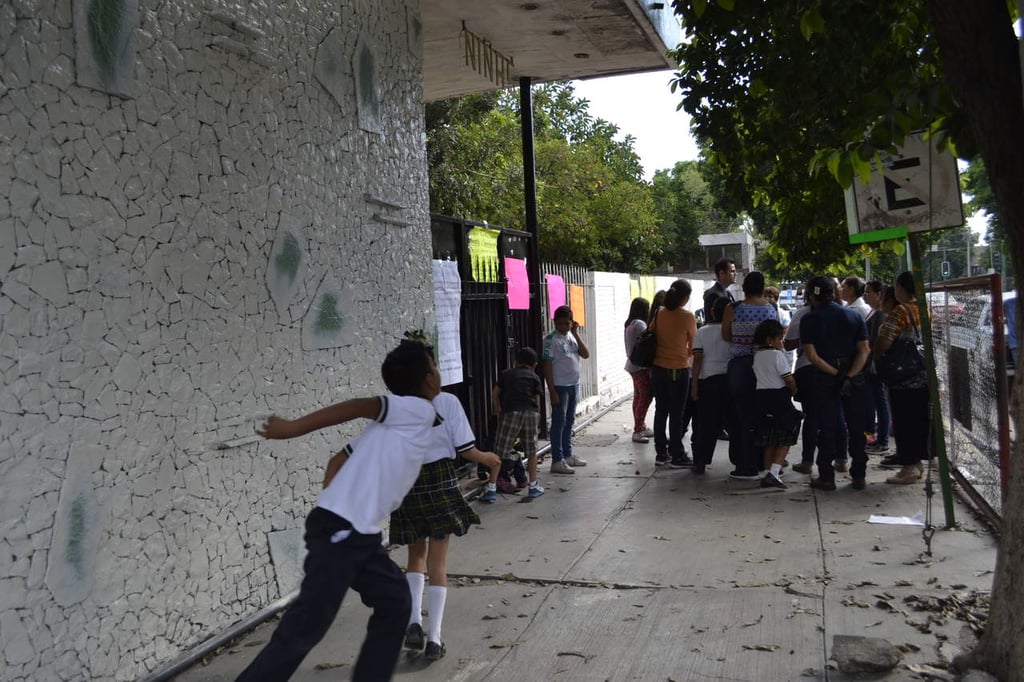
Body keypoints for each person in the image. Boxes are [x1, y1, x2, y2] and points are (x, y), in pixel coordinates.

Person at [237, 341, 443, 682]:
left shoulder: (393, 425)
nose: (438, 373)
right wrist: (292, 428)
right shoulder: (416, 410)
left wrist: (337, 501)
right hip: (343, 533)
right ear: (427, 380)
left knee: (394, 601)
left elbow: (337, 460)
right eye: (434, 368)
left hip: (356, 535)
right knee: (307, 624)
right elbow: (362, 405)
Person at [389, 380, 501, 661]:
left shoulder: (394, 403)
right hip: (440, 480)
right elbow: (466, 449)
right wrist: (487, 458)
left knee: (415, 555)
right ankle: (435, 639)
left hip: (407, 480)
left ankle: (413, 621)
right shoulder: (447, 401)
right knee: (437, 563)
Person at [799, 276, 870, 491]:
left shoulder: (809, 319)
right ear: (835, 293)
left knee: (827, 427)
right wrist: (849, 375)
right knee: (857, 429)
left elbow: (811, 355)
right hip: (854, 377)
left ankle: (826, 477)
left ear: (812, 296)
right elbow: (864, 350)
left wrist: (835, 373)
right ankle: (858, 475)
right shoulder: (854, 316)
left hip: (824, 377)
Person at [721, 271, 779, 480]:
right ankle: (765, 461)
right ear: (763, 288)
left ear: (744, 288)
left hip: (740, 365)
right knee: (764, 414)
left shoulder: (733, 308)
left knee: (741, 416)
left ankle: (746, 465)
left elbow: (726, 335)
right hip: (765, 364)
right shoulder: (771, 308)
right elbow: (776, 334)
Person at [875, 271, 930, 484]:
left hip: (903, 377)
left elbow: (885, 342)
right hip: (922, 373)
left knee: (904, 421)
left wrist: (877, 354)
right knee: (918, 420)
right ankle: (916, 464)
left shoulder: (900, 311)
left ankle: (908, 467)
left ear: (901, 288)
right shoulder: (924, 308)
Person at [650, 280, 698, 468]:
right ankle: (677, 454)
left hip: (658, 368)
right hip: (678, 368)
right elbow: (694, 346)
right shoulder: (687, 317)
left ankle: (661, 453)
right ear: (685, 298)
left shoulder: (659, 313)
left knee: (661, 410)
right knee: (677, 413)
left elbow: (652, 334)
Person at [488, 347, 546, 499]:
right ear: (534, 364)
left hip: (511, 413)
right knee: (531, 451)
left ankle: (491, 489)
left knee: (500, 451)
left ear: (515, 362)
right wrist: (537, 416)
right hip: (531, 413)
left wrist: (499, 412)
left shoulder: (506, 374)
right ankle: (533, 487)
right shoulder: (534, 377)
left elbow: (495, 394)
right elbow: (538, 401)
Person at [752, 319, 802, 489]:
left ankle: (768, 473)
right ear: (769, 340)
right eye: (780, 338)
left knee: (770, 438)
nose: (782, 342)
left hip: (761, 397)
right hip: (778, 396)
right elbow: (788, 378)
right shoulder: (777, 355)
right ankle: (774, 472)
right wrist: (795, 390)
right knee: (786, 434)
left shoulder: (757, 355)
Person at [543, 305, 590, 474]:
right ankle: (557, 459)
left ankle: (568, 454)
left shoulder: (571, 336)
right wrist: (552, 390)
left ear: (572, 323)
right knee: (558, 422)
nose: (563, 327)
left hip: (573, 385)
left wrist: (576, 333)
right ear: (555, 322)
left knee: (569, 421)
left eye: (566, 324)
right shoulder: (550, 340)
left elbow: (585, 354)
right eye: (559, 324)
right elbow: (547, 367)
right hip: (560, 386)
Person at [690, 296, 731, 474]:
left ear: (712, 312)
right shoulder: (732, 332)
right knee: (734, 424)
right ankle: (742, 462)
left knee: (706, 426)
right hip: (730, 383)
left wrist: (694, 387)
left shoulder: (702, 332)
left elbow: (697, 360)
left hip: (707, 383)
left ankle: (700, 461)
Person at [863, 280, 891, 455]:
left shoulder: (880, 315)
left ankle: (883, 440)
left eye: (868, 292)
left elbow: (874, 342)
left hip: (875, 366)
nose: (865, 295)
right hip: (871, 365)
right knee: (875, 402)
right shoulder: (873, 312)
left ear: (879, 295)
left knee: (881, 403)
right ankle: (876, 438)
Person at [624, 297, 655, 443]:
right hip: (640, 366)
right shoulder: (641, 324)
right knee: (646, 396)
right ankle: (638, 430)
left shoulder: (629, 323)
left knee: (638, 396)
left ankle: (640, 426)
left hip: (632, 364)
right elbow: (648, 342)